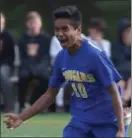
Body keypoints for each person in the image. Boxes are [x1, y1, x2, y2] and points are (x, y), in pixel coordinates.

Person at [4, 6, 124, 137]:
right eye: (57, 29)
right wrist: (21, 117)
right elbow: (50, 95)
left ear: (78, 30)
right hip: (81, 121)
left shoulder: (95, 55)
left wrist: (121, 129)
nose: (60, 34)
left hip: (106, 121)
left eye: (65, 29)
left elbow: (113, 91)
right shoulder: (61, 58)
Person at [17, 11, 52, 112]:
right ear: (27, 24)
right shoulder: (22, 39)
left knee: (46, 79)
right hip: (27, 67)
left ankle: (41, 105)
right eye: (31, 23)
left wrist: (38, 68)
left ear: (40, 23)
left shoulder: (46, 39)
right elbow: (22, 57)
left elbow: (46, 57)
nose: (34, 25)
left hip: (42, 68)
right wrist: (30, 67)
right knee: (23, 77)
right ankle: (21, 105)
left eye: (36, 23)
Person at [112, 18, 131, 137]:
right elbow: (114, 66)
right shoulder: (115, 47)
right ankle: (122, 104)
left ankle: (123, 102)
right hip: (120, 78)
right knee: (122, 83)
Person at [0, 13, 15, 112]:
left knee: (2, 74)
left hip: (5, 65)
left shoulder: (8, 36)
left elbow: (11, 56)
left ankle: (9, 106)